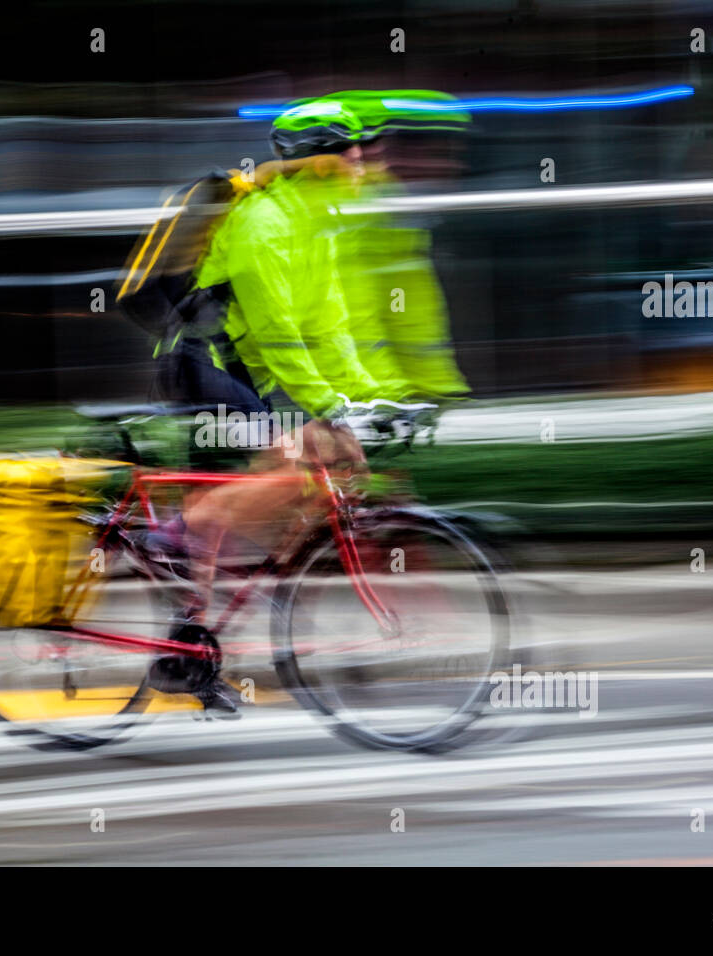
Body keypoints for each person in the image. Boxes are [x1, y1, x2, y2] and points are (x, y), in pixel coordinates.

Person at [149, 91, 472, 715]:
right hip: (201, 367)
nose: (364, 163)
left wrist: (371, 399)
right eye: (352, 153)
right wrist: (326, 401)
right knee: (276, 469)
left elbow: (331, 330)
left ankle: (189, 646)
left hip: (249, 373)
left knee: (338, 456)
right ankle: (175, 540)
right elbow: (277, 335)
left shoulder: (318, 227)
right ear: (318, 161)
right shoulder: (262, 224)